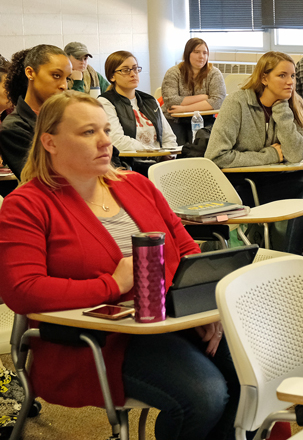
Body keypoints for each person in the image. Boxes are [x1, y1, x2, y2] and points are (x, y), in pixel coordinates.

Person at [0, 91, 241, 440]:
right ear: (49, 142)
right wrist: (111, 285)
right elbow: (22, 291)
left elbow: (186, 247)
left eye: (106, 130)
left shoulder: (136, 185)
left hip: (173, 322)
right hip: (96, 341)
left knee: (255, 379)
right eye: (88, 133)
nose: (105, 142)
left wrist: (207, 308)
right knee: (206, 396)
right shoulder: (27, 205)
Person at [205, 51, 303, 255]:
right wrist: (271, 155)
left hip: (274, 181)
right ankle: (289, 258)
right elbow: (216, 157)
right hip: (242, 186)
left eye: (292, 76)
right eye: (282, 75)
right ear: (264, 78)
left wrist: (283, 113)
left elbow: (295, 154)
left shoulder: (291, 104)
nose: (289, 82)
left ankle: (295, 256)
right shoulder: (237, 103)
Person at [0, 45, 71, 178]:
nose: (64, 86)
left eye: (67, 78)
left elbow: (111, 157)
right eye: (56, 75)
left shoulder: (71, 116)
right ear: (30, 73)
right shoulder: (14, 127)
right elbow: (41, 177)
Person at [99, 51, 177, 151]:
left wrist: (169, 154)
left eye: (135, 68)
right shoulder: (106, 102)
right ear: (111, 76)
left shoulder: (150, 101)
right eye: (126, 70)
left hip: (159, 160)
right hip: (130, 163)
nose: (133, 74)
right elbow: (117, 141)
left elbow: (169, 137)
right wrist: (153, 152)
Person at [161, 38, 226, 145]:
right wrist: (204, 97)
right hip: (175, 120)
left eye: (205, 53)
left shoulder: (214, 73)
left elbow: (218, 101)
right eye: (196, 52)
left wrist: (184, 109)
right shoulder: (173, 72)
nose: (201, 56)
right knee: (178, 148)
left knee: (203, 145)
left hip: (205, 120)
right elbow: (171, 102)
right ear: (188, 54)